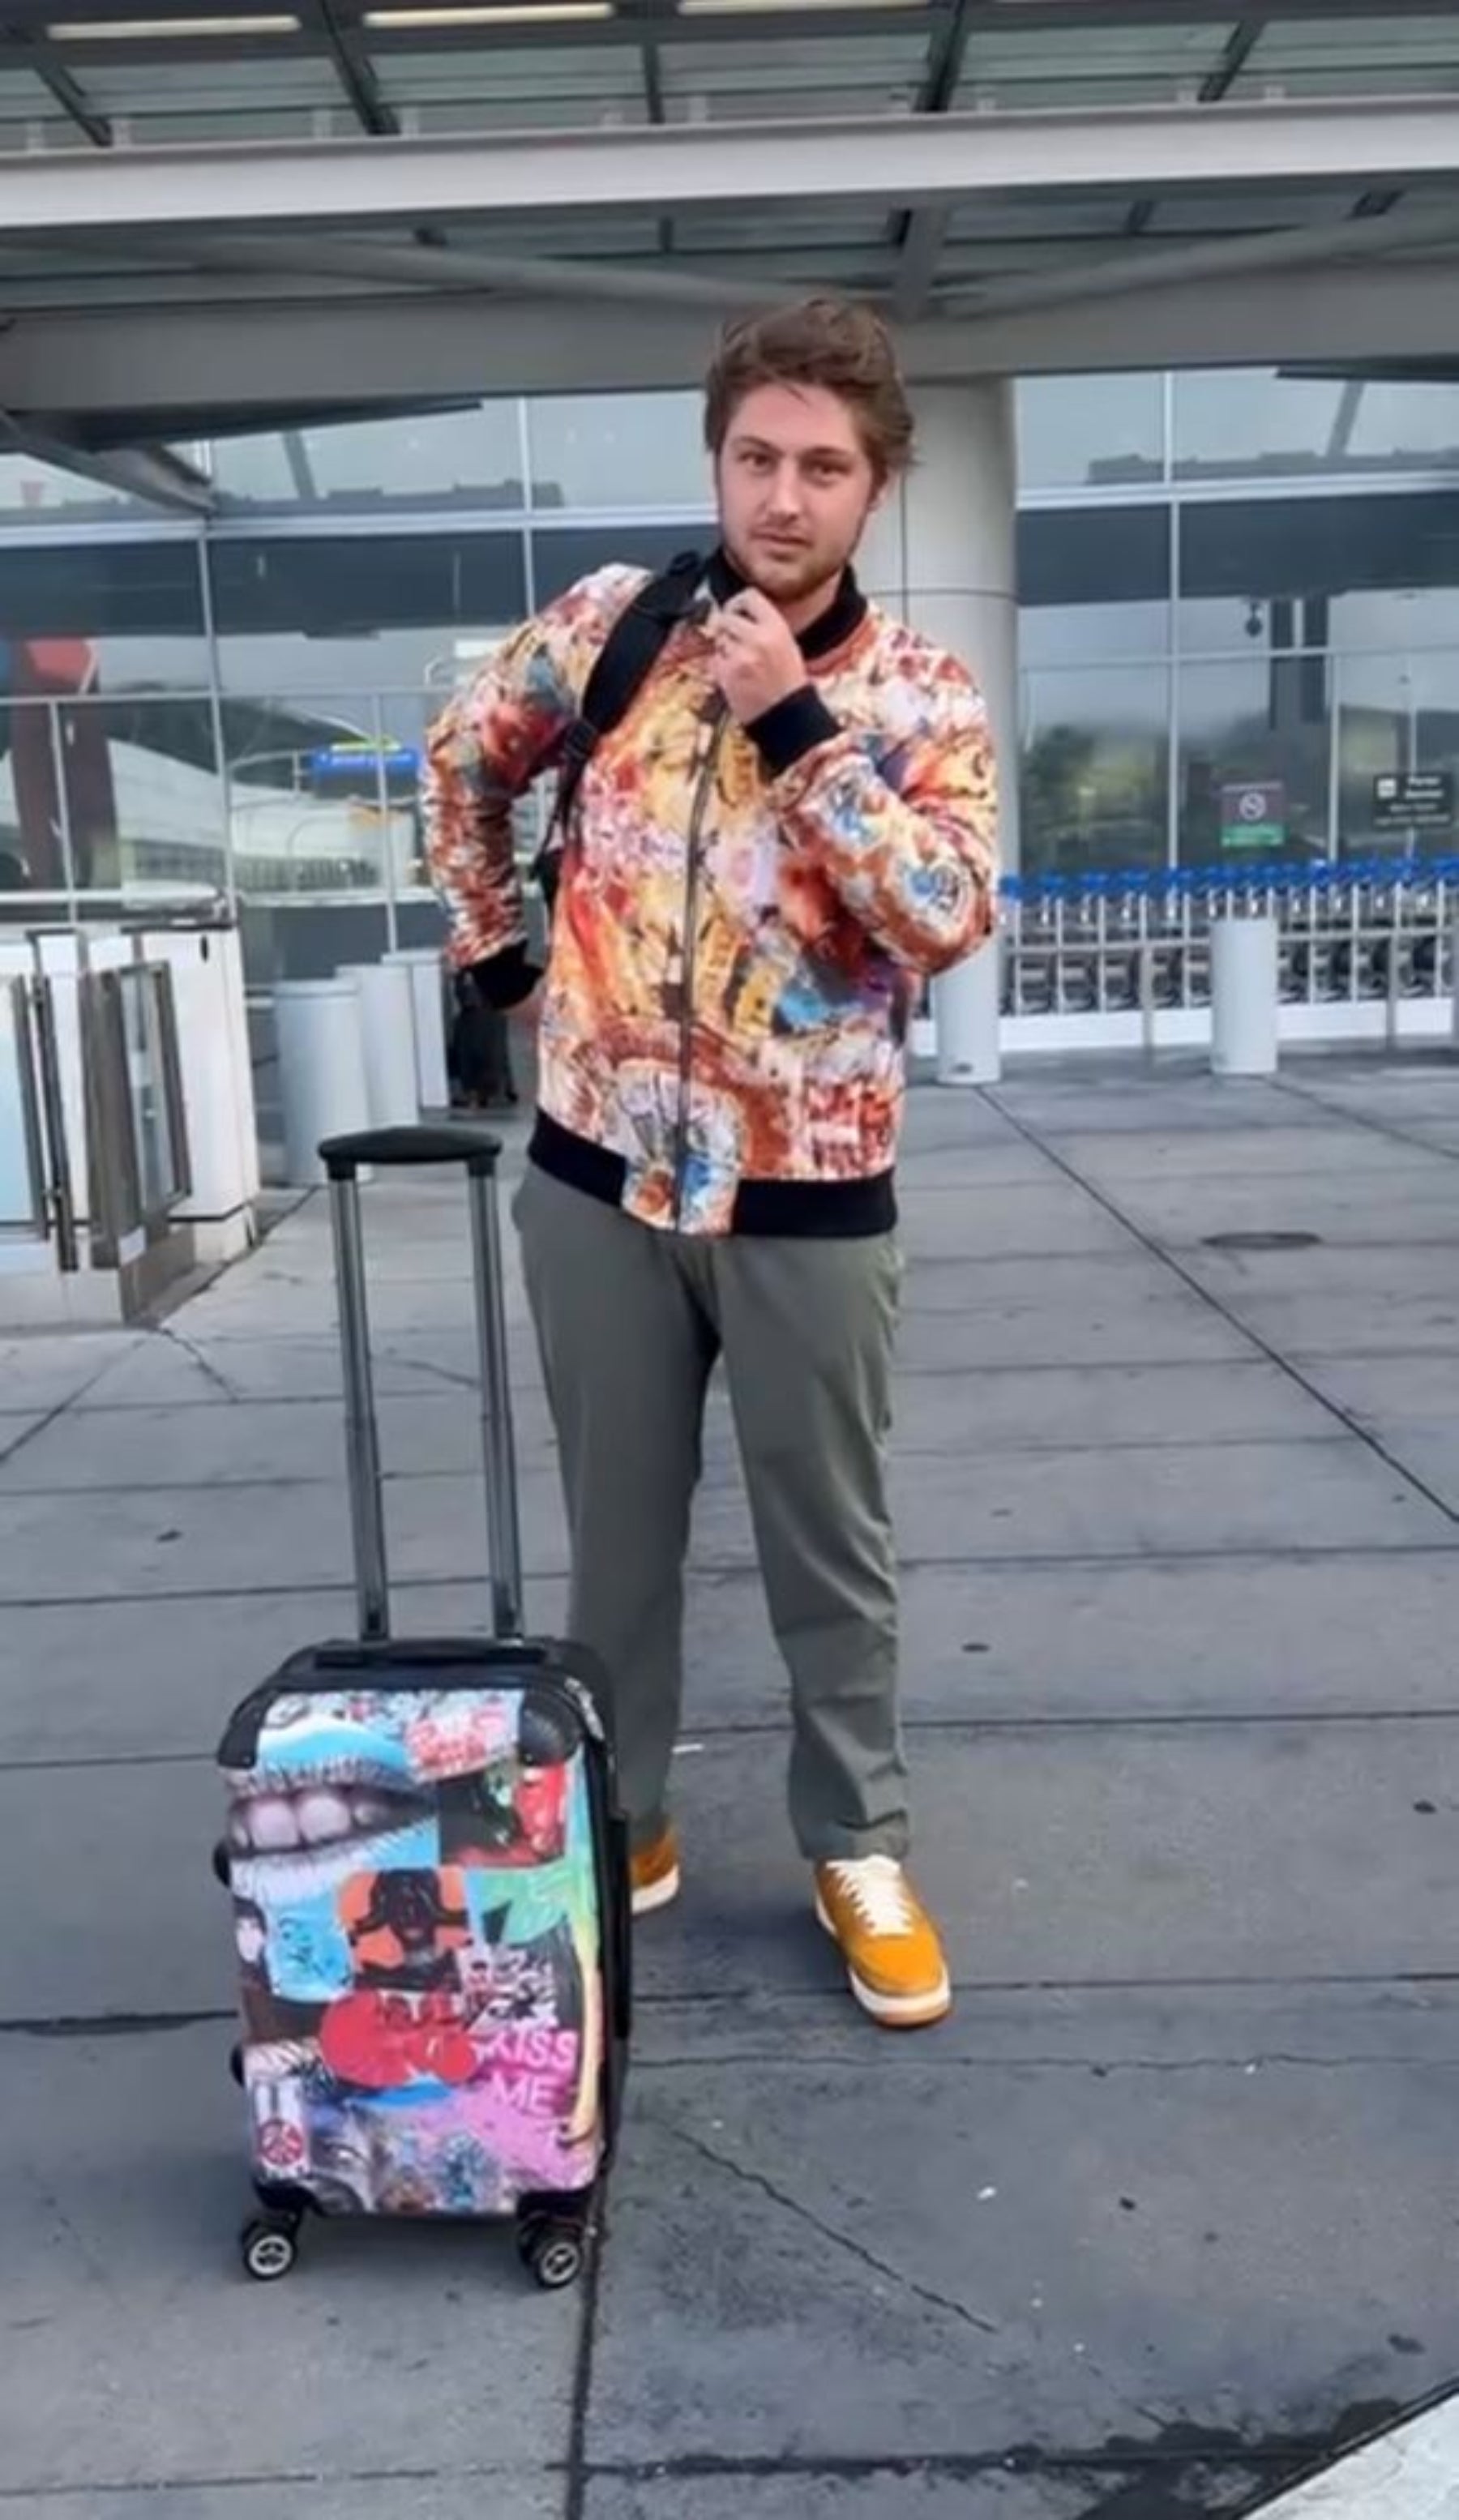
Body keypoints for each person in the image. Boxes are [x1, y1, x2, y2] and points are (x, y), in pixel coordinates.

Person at [426, 297, 997, 2030]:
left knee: (832, 1541)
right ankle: (632, 1810)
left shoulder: (919, 694)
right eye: (758, 456)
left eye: (824, 466)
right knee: (618, 1540)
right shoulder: (615, 626)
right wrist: (498, 958)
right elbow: (465, 761)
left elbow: (946, 918)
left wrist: (802, 734)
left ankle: (859, 1839)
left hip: (812, 1195)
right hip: (600, 1179)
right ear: (719, 461)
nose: (785, 495)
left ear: (875, 486)